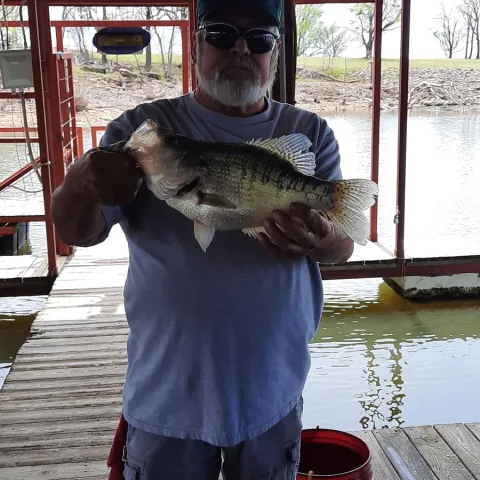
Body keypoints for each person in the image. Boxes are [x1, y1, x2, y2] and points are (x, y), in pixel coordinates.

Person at [51, 0, 353, 478]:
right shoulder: (143, 132)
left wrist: (319, 238)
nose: (240, 49)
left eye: (259, 39)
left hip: (272, 389)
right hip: (166, 394)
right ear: (196, 46)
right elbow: (76, 233)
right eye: (221, 33)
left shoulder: (308, 131)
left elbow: (343, 247)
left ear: (274, 54)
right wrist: (78, 184)